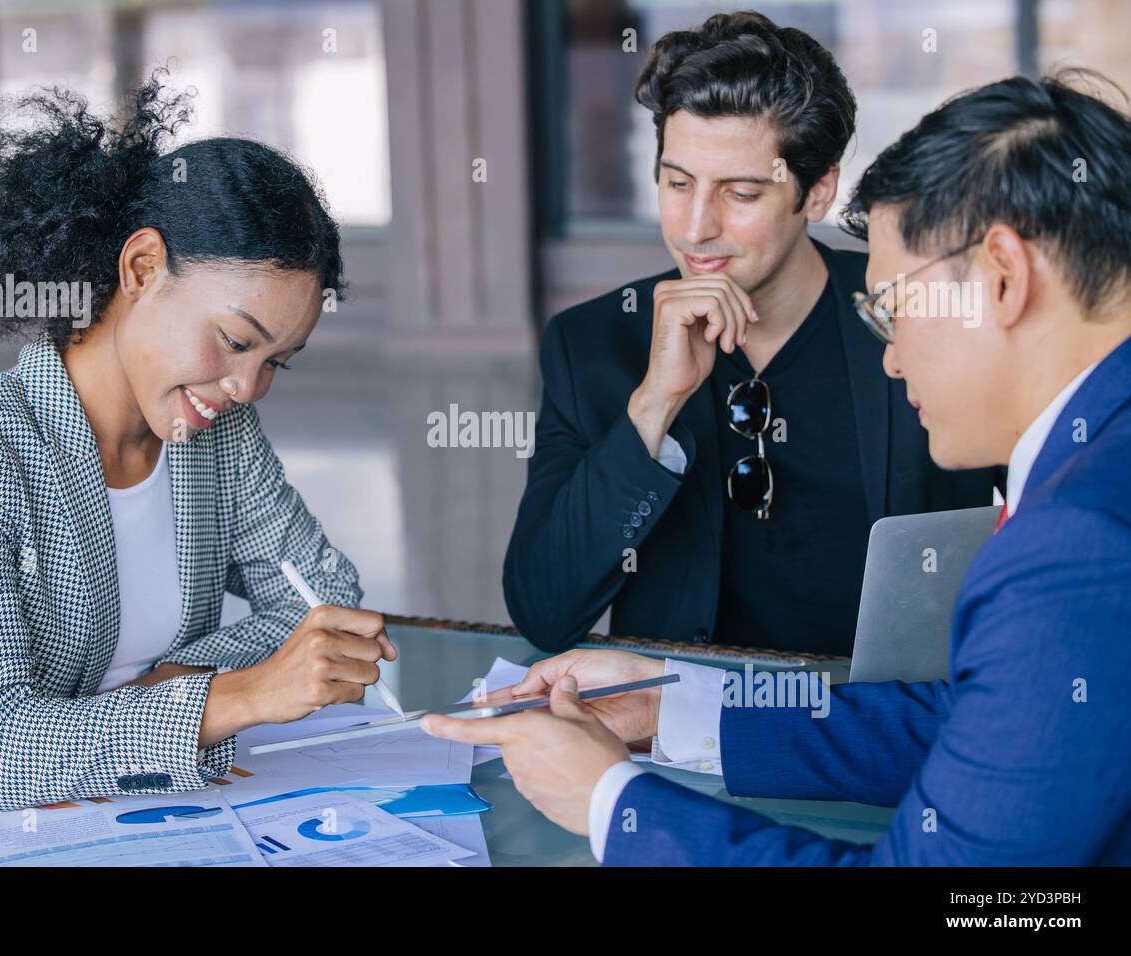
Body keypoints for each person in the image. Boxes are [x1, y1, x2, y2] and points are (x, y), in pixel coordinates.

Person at [427, 70, 1131, 865]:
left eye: (894, 309)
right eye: (676, 181)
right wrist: (675, 708)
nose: (893, 357)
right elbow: (978, 714)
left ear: (1002, 277)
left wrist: (613, 803)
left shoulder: (1076, 544)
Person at [0, 74, 394, 850]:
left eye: (280, 360)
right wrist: (228, 698)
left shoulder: (216, 434)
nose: (247, 387)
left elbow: (321, 598)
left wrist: (171, 685)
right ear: (139, 269)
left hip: (140, 822)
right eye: (236, 341)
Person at [504, 12, 997, 655]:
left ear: (817, 193)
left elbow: (1055, 532)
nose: (695, 227)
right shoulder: (592, 343)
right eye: (677, 183)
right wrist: (654, 406)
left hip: (876, 725)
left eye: (739, 193)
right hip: (675, 730)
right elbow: (544, 611)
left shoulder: (916, 313)